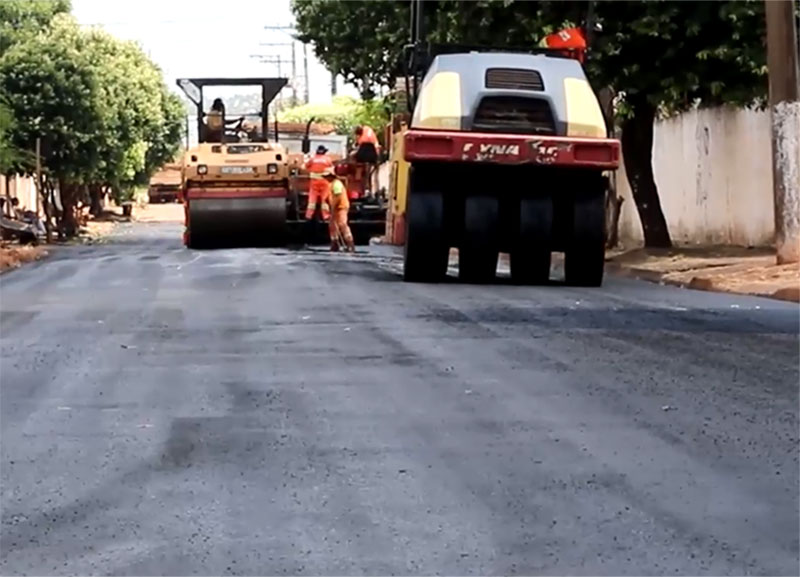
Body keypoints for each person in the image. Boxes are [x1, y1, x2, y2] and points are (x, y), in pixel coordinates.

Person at [323, 168, 354, 252]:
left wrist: (333, 207)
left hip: (341, 207)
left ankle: (349, 244)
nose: (326, 178)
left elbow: (338, 197)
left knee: (342, 224)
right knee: (333, 225)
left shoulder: (337, 184)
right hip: (336, 208)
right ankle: (335, 243)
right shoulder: (331, 184)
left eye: (327, 176)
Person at [304, 145, 333, 221]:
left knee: (312, 200)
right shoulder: (327, 159)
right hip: (325, 182)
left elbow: (305, 167)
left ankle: (308, 215)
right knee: (324, 200)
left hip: (314, 182)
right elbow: (332, 169)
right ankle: (326, 216)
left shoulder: (312, 159)